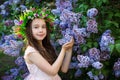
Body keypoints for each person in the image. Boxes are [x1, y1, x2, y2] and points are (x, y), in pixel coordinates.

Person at [14, 8, 74, 80]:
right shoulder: (31, 52)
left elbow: (64, 69)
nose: (41, 30)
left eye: (43, 27)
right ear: (29, 30)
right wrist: (63, 49)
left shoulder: (45, 47)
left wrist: (68, 50)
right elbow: (52, 71)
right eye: (36, 27)